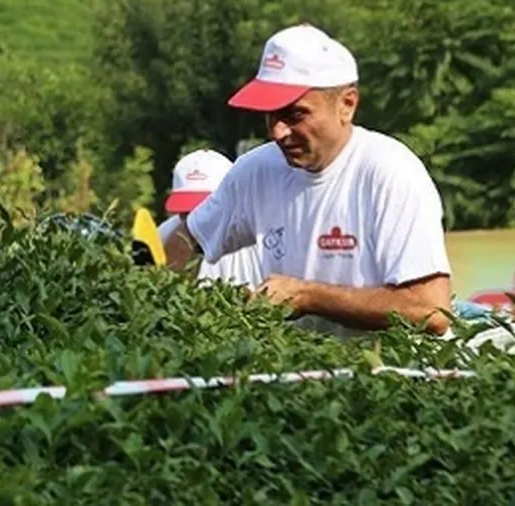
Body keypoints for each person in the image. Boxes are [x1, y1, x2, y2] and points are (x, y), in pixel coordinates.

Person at [162, 24, 454, 338]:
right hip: (312, 377)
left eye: (295, 115)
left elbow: (431, 311)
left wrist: (308, 296)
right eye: (270, 115)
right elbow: (187, 238)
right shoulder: (256, 171)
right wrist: (170, 309)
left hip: (403, 381)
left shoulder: (389, 173)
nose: (278, 132)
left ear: (347, 104)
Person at [157, 148, 261, 289]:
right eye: (187, 210)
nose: (196, 219)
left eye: (207, 209)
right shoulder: (164, 234)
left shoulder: (259, 236)